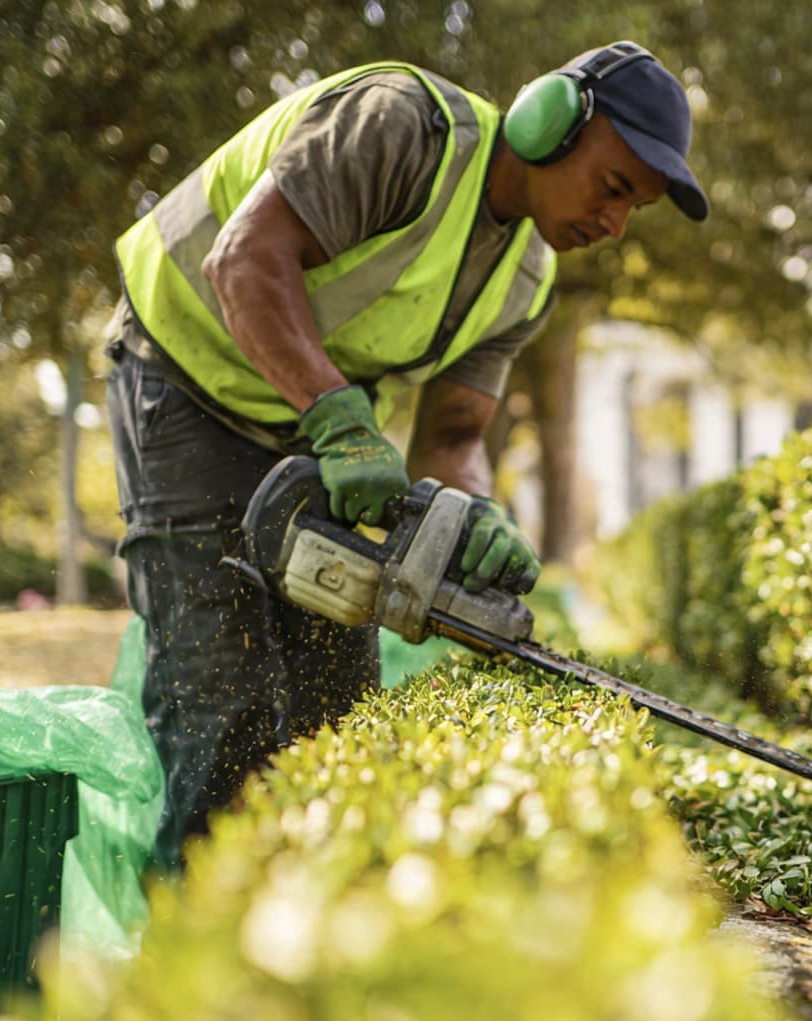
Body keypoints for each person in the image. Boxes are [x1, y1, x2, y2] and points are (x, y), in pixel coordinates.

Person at [105, 40, 708, 872]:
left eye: (633, 209)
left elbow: (454, 440)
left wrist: (475, 522)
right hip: (182, 377)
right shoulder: (401, 127)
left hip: (314, 432)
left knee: (337, 713)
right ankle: (188, 956)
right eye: (613, 187)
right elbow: (243, 260)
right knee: (222, 707)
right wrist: (341, 420)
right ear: (549, 124)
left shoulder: (526, 279)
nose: (613, 226)